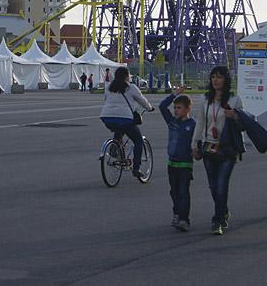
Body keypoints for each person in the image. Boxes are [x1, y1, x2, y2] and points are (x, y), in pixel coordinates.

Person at [191, 65, 245, 235]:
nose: (216, 80)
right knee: (213, 186)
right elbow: (199, 122)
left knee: (222, 185)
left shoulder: (234, 100)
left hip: (228, 148)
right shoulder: (204, 99)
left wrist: (235, 116)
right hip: (208, 146)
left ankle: (218, 219)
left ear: (226, 79)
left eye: (219, 77)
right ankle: (223, 210)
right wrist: (194, 144)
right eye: (213, 76)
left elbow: (242, 124)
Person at [99, 66, 154, 180]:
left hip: (106, 117)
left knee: (118, 129)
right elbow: (142, 100)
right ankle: (136, 168)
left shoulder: (109, 87)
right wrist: (150, 108)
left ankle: (114, 149)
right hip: (125, 119)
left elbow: (106, 99)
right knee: (138, 141)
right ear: (126, 76)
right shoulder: (131, 87)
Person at [158, 86, 196, 231]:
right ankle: (177, 212)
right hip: (172, 163)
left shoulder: (192, 124)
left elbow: (197, 141)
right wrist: (173, 95)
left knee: (183, 192)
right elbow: (162, 107)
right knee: (174, 191)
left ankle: (184, 218)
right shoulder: (172, 122)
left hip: (185, 163)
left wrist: (197, 151)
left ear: (187, 109)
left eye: (179, 108)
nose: (175, 111)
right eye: (175, 108)